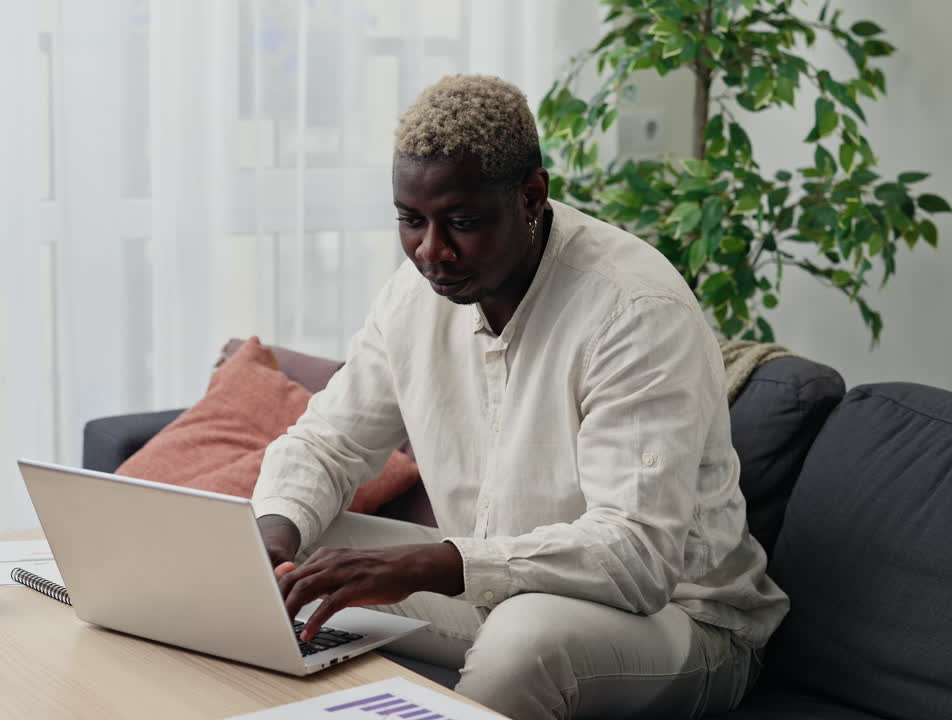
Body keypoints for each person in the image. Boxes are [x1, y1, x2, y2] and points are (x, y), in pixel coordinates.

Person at [250, 74, 788, 719]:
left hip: (682, 623)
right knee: (293, 557)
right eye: (410, 221)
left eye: (462, 222)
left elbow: (637, 557)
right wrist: (270, 538)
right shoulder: (413, 293)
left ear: (532, 196)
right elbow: (327, 443)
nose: (432, 252)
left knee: (525, 639)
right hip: (499, 593)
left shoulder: (635, 309)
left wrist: (436, 564)